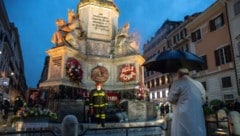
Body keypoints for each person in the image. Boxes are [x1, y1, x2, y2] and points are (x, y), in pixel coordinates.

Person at [167, 68, 206, 136]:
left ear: (179, 74)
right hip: (197, 116)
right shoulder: (199, 84)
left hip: (181, 118)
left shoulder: (177, 82)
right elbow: (203, 101)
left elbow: (170, 99)